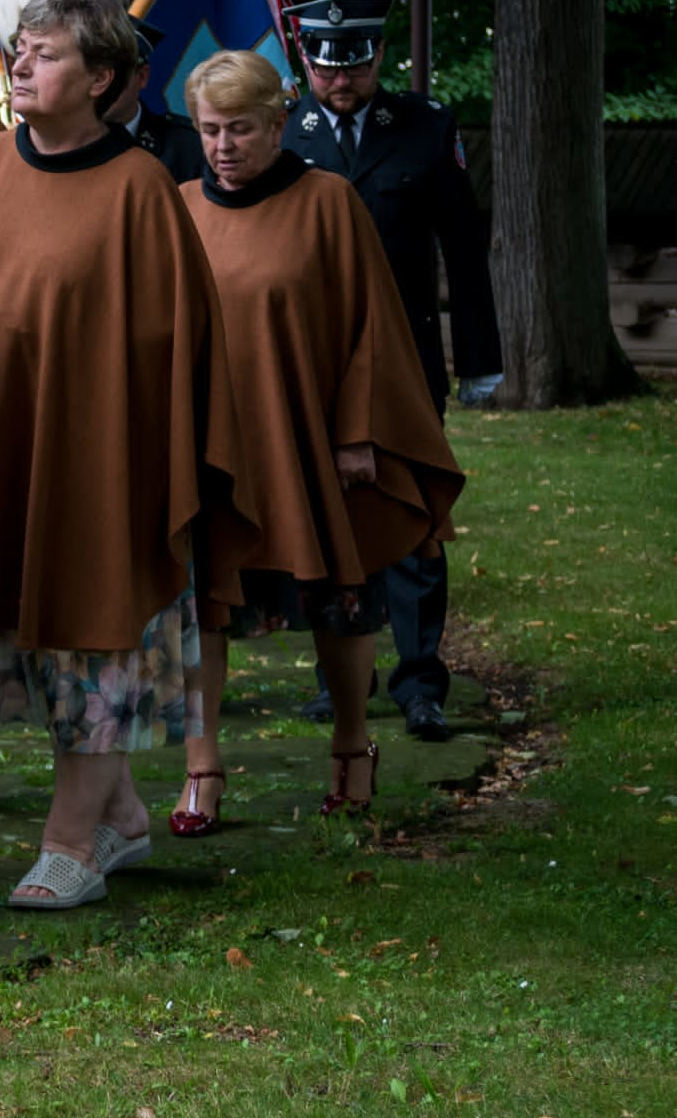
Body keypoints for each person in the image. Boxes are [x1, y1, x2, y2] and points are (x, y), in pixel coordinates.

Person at [0, 0, 254, 912]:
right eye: (19, 50)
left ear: (102, 78)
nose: (20, 65)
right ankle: (125, 813)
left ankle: (70, 843)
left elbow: (172, 341)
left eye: (46, 53)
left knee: (95, 644)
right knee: (26, 644)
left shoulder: (140, 188)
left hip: (104, 464)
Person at [175, 51, 464, 832]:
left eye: (240, 128)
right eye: (209, 129)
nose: (224, 145)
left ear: (278, 122)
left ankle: (351, 742)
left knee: (340, 599)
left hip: (307, 437)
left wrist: (358, 434)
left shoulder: (329, 201)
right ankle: (202, 768)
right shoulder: (177, 208)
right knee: (203, 604)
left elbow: (373, 323)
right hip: (211, 447)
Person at [281, 0, 499, 741]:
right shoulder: (282, 134)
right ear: (306, 62)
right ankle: (339, 674)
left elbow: (464, 252)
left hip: (403, 360)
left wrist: (477, 360)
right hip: (312, 364)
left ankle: (420, 679)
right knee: (328, 520)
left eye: (358, 65)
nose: (342, 82)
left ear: (378, 59)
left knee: (410, 515)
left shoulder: (426, 129)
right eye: (327, 67)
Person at [108, 17, 203, 183]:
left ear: (142, 76)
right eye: (91, 73)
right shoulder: (58, 139)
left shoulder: (189, 146)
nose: (100, 85)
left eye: (113, 74)